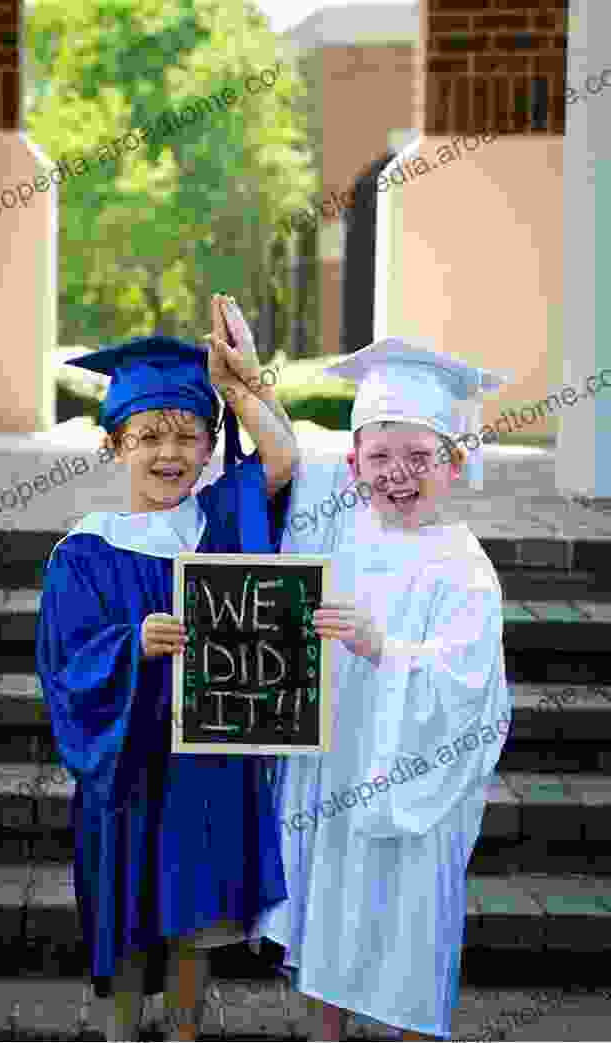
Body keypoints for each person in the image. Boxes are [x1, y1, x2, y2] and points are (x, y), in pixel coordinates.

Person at [216, 302, 512, 1041]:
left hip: (416, 794)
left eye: (420, 456)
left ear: (455, 461)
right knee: (331, 928)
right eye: (379, 458)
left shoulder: (466, 570)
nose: (398, 475)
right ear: (353, 466)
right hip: (336, 772)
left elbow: (469, 692)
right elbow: (283, 454)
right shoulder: (340, 515)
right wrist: (248, 383)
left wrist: (385, 649)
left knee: (408, 940)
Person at [35, 328, 298, 1042]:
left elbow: (282, 457)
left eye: (188, 435)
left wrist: (238, 382)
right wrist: (132, 645)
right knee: (126, 915)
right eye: (148, 435)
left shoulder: (218, 519)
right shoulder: (84, 550)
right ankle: (120, 1034)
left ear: (211, 447)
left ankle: (184, 1033)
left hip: (204, 762)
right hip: (125, 765)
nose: (169, 453)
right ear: (114, 445)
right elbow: (65, 667)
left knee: (193, 917)